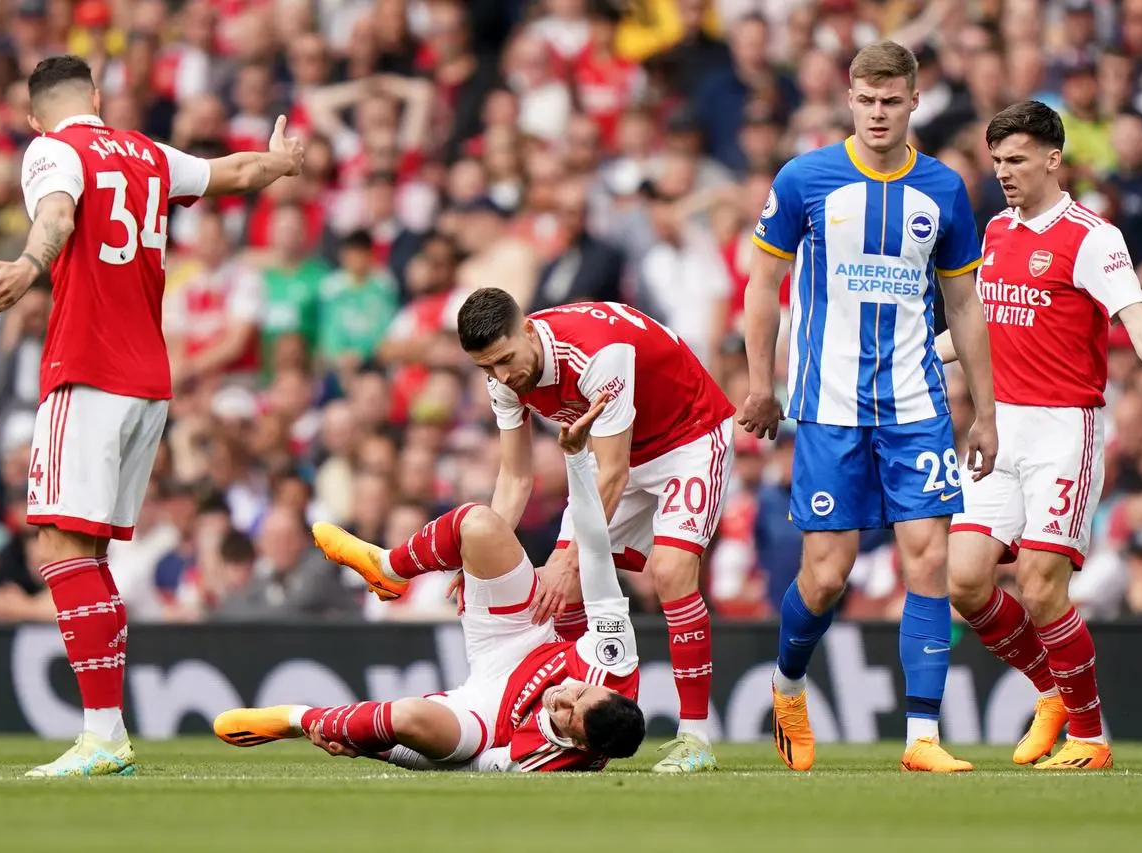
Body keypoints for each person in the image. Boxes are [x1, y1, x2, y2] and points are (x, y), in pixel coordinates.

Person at [0, 55, 305, 777]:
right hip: (151, 380)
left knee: (58, 548)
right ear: (96, 96)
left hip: (86, 371)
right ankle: (106, 730)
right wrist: (279, 162)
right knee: (88, 555)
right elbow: (234, 174)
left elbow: (57, 214)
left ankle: (102, 733)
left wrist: (30, 266)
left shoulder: (51, 150)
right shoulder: (148, 153)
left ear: (34, 116)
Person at [738, 41, 998, 773]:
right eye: (866, 100)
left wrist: (985, 408)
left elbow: (965, 303)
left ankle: (921, 738)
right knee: (827, 573)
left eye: (892, 101)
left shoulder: (945, 189)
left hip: (916, 402)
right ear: (849, 100)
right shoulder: (805, 179)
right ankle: (788, 685)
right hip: (827, 403)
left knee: (930, 559)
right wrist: (763, 383)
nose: (879, 114)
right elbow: (764, 284)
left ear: (915, 101)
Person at [937, 100, 1142, 771]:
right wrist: (912, 354)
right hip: (997, 428)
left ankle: (1090, 737)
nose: (1004, 172)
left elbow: (1135, 312)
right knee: (965, 582)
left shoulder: (1092, 236)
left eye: (1018, 159)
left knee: (1040, 582)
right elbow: (982, 328)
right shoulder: (996, 230)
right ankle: (1049, 691)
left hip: (1063, 429)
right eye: (997, 160)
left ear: (1054, 159)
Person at [213, 396, 647, 772]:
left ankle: (298, 719)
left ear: (581, 745)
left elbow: (467, 764)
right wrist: (574, 458)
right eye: (578, 694)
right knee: (477, 522)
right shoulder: (614, 660)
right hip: (531, 633)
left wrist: (373, 748)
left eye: (567, 715)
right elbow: (592, 552)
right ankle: (389, 568)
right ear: (603, 686)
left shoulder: (542, 759)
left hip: (489, 712)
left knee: (407, 717)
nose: (561, 699)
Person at [454, 286, 734, 773]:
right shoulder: (503, 376)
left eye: (504, 361)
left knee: (669, 573)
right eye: (487, 369)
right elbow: (516, 477)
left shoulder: (595, 352)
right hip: (616, 457)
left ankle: (696, 739)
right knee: (561, 596)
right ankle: (591, 724)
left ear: (527, 328)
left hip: (687, 437)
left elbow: (612, 472)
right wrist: (480, 560)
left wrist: (567, 559)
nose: (501, 378)